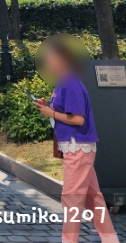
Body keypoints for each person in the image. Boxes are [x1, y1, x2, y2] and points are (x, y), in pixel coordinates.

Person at [34, 38, 119, 243]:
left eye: (51, 58)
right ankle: (110, 239)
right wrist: (49, 107)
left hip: (77, 147)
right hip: (78, 147)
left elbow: (78, 119)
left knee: (71, 197)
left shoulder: (69, 83)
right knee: (93, 198)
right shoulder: (64, 83)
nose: (48, 62)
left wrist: (50, 113)